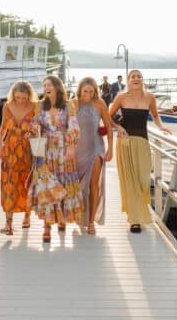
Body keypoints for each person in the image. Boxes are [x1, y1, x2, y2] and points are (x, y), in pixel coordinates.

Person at [109, 69, 171, 234]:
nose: (136, 78)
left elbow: (156, 116)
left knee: (143, 179)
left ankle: (137, 212)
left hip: (143, 141)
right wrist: (118, 127)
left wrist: (161, 127)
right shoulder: (121, 97)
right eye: (132, 76)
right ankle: (134, 219)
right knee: (130, 181)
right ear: (128, 81)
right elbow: (108, 116)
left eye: (139, 76)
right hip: (125, 142)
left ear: (142, 80)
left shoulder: (149, 97)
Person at [28, 75, 84, 243]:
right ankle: (46, 227)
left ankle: (61, 218)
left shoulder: (68, 106)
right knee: (46, 185)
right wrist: (32, 130)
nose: (46, 87)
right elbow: (34, 124)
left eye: (49, 84)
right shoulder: (39, 106)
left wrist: (72, 147)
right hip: (45, 151)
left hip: (63, 151)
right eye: (44, 85)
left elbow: (74, 127)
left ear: (58, 87)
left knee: (63, 184)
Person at [71, 77, 113, 235]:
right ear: (80, 90)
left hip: (96, 147)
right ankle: (78, 216)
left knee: (93, 185)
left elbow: (108, 126)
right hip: (77, 149)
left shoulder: (99, 103)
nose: (88, 94)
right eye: (85, 91)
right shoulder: (73, 103)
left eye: (91, 91)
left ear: (95, 91)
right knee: (77, 186)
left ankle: (90, 222)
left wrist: (110, 150)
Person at [0, 80, 37, 235]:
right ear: (13, 95)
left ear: (29, 96)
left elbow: (39, 126)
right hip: (10, 151)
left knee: (27, 183)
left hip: (28, 150)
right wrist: (0, 144)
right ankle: (8, 223)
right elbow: (3, 127)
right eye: (18, 97)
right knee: (8, 185)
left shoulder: (34, 106)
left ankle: (27, 217)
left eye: (24, 97)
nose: (21, 100)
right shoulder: (7, 106)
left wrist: (33, 131)